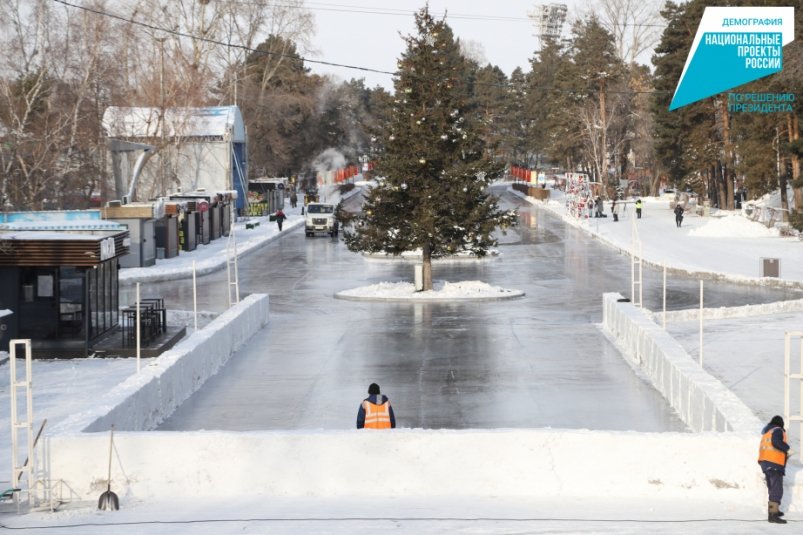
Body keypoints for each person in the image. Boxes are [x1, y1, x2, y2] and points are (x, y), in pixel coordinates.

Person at [758, 415, 790, 523]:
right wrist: (787, 448)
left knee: (773, 488)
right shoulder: (778, 430)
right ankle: (773, 515)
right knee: (776, 489)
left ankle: (774, 510)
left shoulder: (768, 431)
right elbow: (776, 442)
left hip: (766, 462)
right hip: (774, 462)